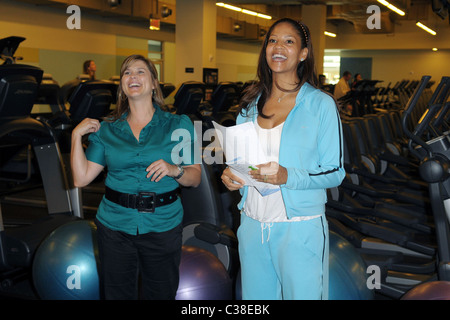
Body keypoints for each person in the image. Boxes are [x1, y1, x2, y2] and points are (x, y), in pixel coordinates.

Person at [220, 18, 345, 300]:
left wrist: (287, 176)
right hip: (252, 225)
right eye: (273, 40)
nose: (278, 47)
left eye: (289, 41)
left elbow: (335, 171)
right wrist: (232, 176)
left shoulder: (320, 104)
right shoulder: (250, 106)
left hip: (299, 229)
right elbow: (244, 164)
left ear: (303, 53)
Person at [70, 54, 201, 300]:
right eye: (127, 72)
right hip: (114, 226)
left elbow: (195, 178)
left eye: (141, 72)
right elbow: (81, 178)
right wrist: (76, 137)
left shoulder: (179, 124)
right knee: (117, 294)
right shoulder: (107, 128)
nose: (133, 77)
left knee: (160, 293)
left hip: (163, 224)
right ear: (122, 86)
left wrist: (176, 169)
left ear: (153, 83)